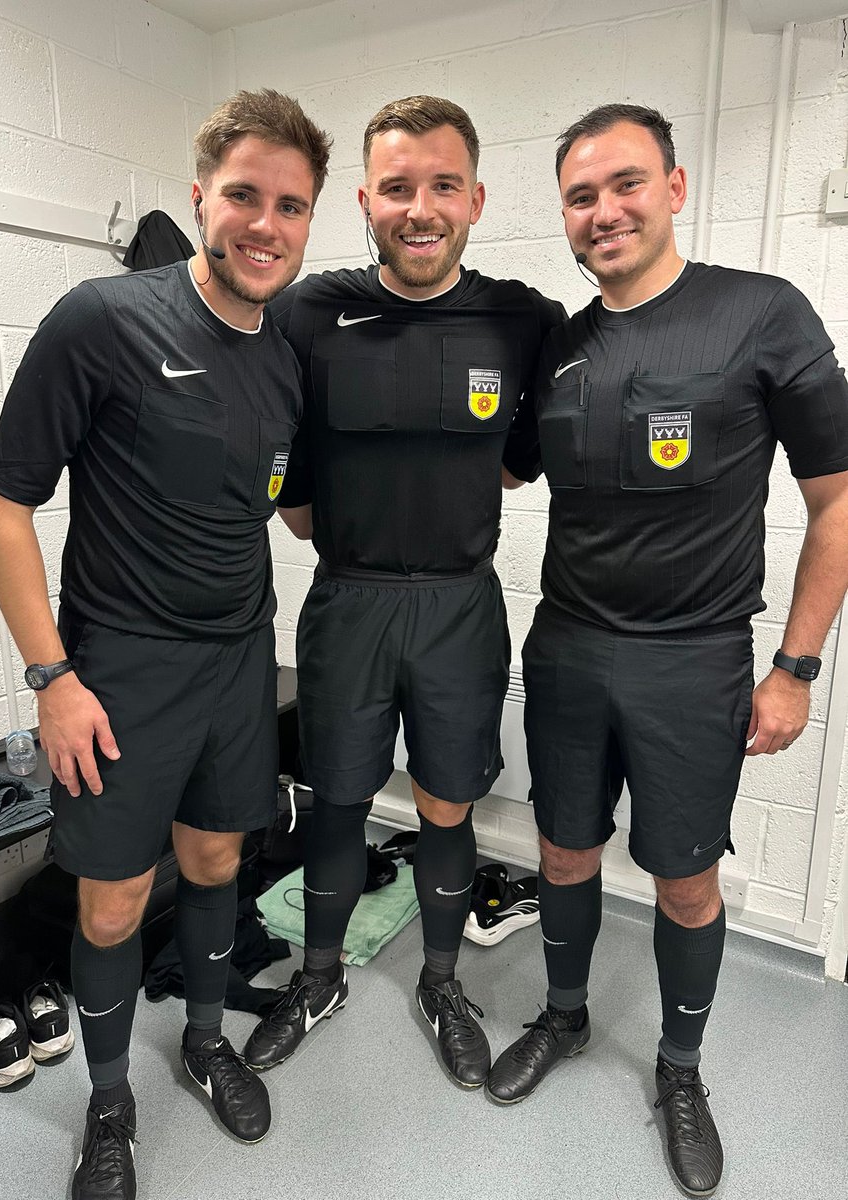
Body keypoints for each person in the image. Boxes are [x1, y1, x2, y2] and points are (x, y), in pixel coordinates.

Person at [0, 89, 331, 1200]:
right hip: (119, 669)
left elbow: (286, 505)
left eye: (291, 205)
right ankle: (111, 1104)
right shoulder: (103, 319)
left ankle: (210, 1037)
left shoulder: (287, 357)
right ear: (200, 197)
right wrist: (52, 677)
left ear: (310, 220)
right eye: (243, 196)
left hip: (239, 658)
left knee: (220, 861)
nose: (265, 224)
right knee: (115, 898)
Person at [490, 103, 848, 1196]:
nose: (605, 211)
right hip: (564, 649)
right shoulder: (559, 343)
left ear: (676, 188)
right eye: (582, 196)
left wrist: (792, 669)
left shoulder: (762, 314)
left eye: (626, 184)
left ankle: (680, 1070)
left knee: (686, 881)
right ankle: (563, 1018)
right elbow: (500, 471)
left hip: (694, 659)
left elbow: (835, 505)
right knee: (560, 852)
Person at [243, 95, 566, 1089]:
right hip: (348, 601)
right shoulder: (304, 311)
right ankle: (322, 975)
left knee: (444, 806)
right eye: (396, 188)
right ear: (364, 200)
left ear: (474, 199)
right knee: (338, 801)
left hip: (460, 607)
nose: (418, 208)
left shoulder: (524, 321)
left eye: (440, 186)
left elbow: (518, 464)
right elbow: (286, 485)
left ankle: (439, 980)